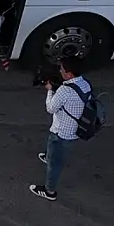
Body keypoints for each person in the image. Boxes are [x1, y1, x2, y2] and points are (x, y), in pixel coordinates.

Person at [29, 56, 91, 202]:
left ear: (69, 74)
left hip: (61, 132)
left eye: (62, 69)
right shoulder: (85, 84)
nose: (60, 71)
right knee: (56, 153)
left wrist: (50, 91)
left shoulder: (64, 90)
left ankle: (49, 191)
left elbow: (50, 108)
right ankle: (50, 157)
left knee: (54, 165)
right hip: (75, 130)